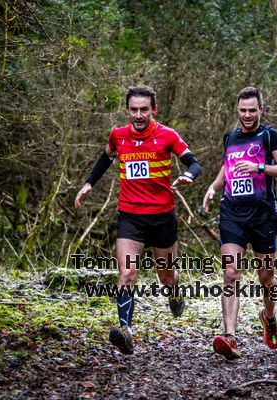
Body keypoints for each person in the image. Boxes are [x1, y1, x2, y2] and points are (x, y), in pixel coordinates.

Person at [74, 85, 202, 354]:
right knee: (128, 273)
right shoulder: (118, 136)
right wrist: (89, 184)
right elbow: (105, 158)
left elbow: (195, 163)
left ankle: (174, 291)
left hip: (162, 218)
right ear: (127, 110)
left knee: (166, 276)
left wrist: (189, 176)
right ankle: (126, 330)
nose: (139, 115)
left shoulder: (168, 135)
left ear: (154, 109)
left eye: (144, 109)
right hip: (131, 218)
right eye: (134, 110)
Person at [203, 87, 277, 359]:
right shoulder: (230, 137)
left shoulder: (269, 136)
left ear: (261, 110)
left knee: (266, 278)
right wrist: (213, 186)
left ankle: (269, 316)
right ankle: (230, 337)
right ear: (237, 110)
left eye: (252, 110)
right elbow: (227, 166)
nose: (247, 115)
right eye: (243, 110)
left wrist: (260, 168)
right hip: (232, 212)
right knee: (230, 273)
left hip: (263, 214)